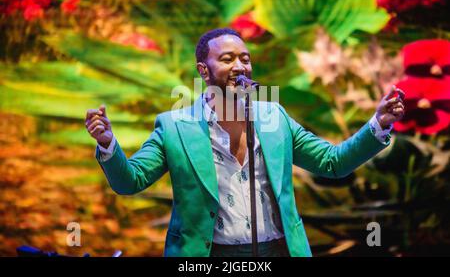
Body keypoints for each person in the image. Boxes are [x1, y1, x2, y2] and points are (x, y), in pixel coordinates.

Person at [85, 28, 405, 257]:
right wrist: (108, 144)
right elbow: (131, 182)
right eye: (227, 59)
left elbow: (332, 163)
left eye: (245, 59)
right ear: (204, 71)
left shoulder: (274, 116)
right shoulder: (175, 126)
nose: (239, 66)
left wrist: (378, 124)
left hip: (278, 249)